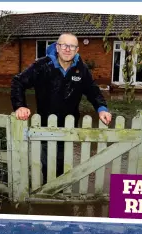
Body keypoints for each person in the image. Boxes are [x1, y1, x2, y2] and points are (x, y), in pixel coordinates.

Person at [11, 33, 111, 180]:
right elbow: (18, 81)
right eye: (64, 45)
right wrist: (20, 106)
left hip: (69, 128)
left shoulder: (81, 69)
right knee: (47, 166)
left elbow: (92, 90)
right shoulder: (42, 66)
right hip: (45, 127)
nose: (67, 49)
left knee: (63, 166)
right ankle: (48, 192)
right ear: (57, 47)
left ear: (76, 50)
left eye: (72, 46)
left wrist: (101, 108)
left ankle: (59, 191)